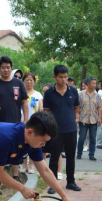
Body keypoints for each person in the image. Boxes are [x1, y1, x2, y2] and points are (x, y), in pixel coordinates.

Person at [0, 56, 29, 182]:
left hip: (16, 123)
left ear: (11, 68)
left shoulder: (18, 83)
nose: (6, 70)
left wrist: (25, 120)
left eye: (8, 67)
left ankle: (15, 176)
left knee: (16, 149)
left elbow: (24, 103)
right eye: (3, 68)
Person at [43, 65, 81, 194]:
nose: (63, 79)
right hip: (55, 131)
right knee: (54, 158)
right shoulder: (49, 93)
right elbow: (46, 112)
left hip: (71, 129)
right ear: (55, 77)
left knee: (71, 157)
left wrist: (75, 118)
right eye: (60, 77)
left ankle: (71, 182)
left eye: (65, 77)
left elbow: (76, 108)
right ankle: (53, 185)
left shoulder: (73, 91)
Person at [21, 72, 43, 174]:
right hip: (23, 122)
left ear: (34, 81)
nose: (29, 82)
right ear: (23, 81)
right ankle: (24, 164)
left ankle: (31, 165)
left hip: (35, 123)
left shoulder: (38, 94)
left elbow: (40, 109)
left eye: (31, 80)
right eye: (27, 80)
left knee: (34, 144)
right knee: (24, 143)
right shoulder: (21, 93)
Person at [77, 77, 102, 161]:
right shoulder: (80, 94)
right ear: (88, 84)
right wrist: (77, 117)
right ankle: (79, 153)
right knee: (81, 138)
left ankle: (91, 154)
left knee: (93, 138)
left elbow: (99, 107)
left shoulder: (97, 95)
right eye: (93, 83)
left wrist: (99, 118)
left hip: (93, 120)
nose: (95, 85)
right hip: (83, 120)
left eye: (95, 83)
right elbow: (77, 107)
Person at [41, 83, 63, 180]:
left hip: (56, 128)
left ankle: (59, 171)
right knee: (43, 151)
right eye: (43, 91)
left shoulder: (55, 99)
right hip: (44, 127)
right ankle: (43, 170)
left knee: (58, 152)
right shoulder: (41, 100)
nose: (45, 92)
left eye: (46, 90)